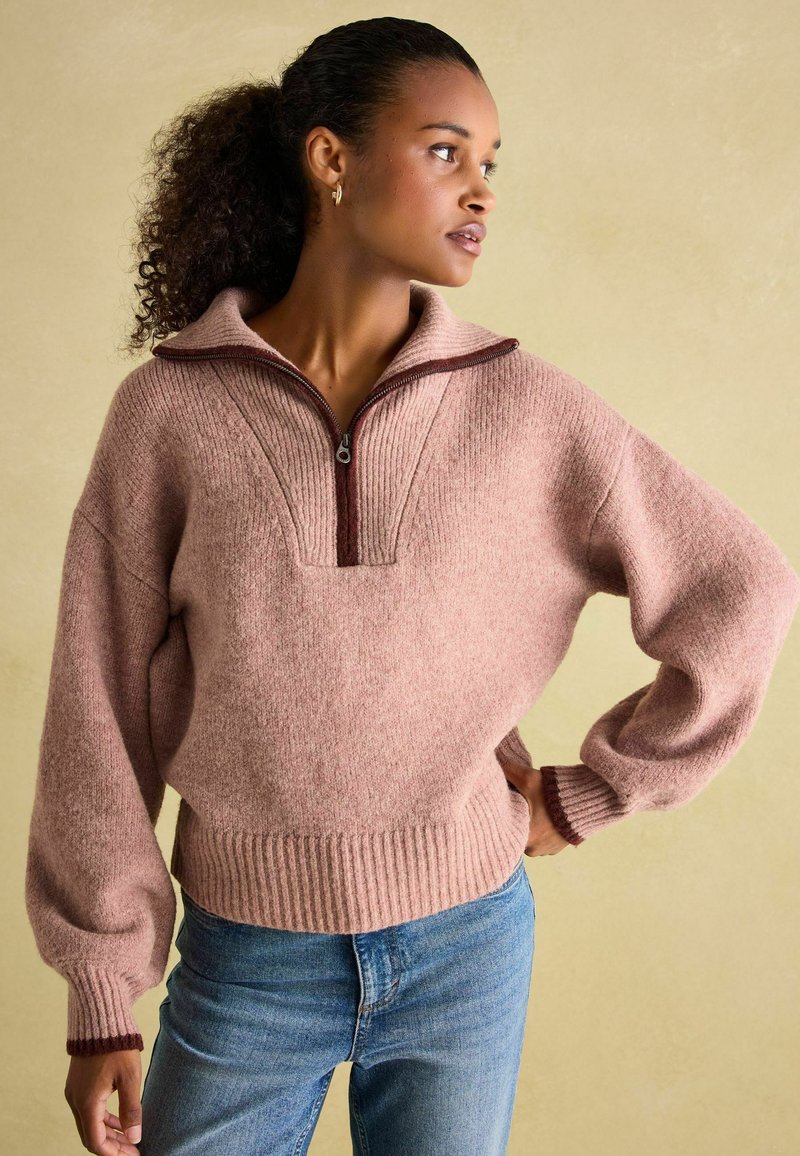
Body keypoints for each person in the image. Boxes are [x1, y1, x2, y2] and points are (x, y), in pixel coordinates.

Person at [24, 15, 799, 1156]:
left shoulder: (525, 407)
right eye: (444, 151)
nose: (480, 189)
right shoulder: (169, 414)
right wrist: (102, 988)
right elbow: (96, 705)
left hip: (466, 944)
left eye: (490, 163)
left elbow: (742, 584)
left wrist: (591, 793)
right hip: (247, 958)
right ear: (329, 159)